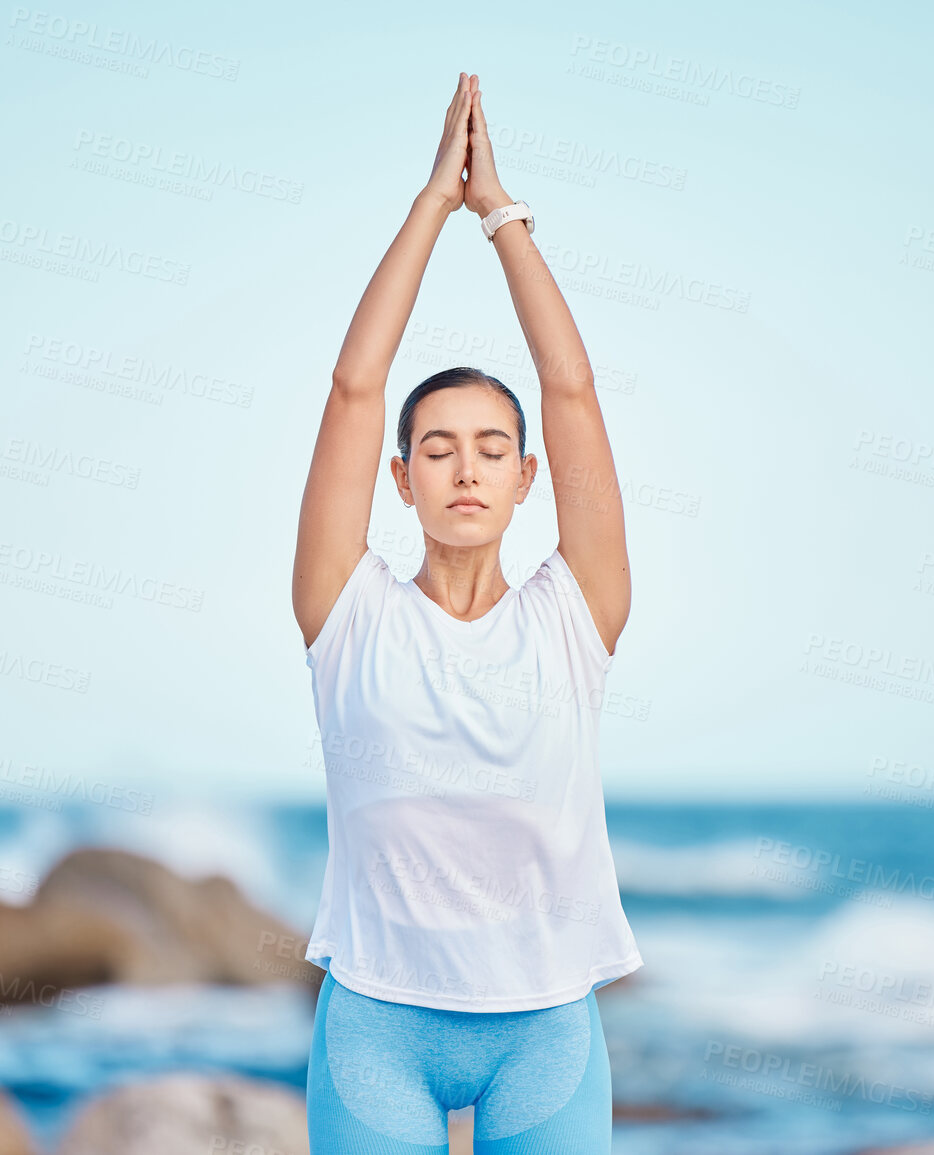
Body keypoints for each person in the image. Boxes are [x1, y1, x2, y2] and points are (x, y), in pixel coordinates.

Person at [292, 71, 641, 1154]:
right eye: (436, 449)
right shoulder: (346, 615)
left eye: (493, 449)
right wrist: (430, 206)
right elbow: (355, 388)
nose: (465, 471)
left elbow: (572, 389)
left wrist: (501, 218)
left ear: (529, 475)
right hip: (376, 1029)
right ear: (400, 478)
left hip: (545, 1031)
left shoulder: (574, 619)